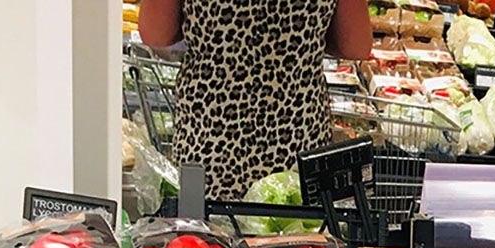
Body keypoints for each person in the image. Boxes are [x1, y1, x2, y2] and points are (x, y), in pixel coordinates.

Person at [139, 0, 371, 199]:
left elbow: (155, 32)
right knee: (295, 236)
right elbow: (355, 45)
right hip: (295, 130)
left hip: (211, 134)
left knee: (207, 243)